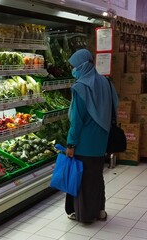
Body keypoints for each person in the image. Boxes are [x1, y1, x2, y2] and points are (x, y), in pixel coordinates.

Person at [65, 49, 118, 223]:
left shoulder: (80, 88)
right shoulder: (106, 82)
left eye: (74, 66)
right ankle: (100, 211)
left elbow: (77, 121)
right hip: (102, 139)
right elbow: (115, 106)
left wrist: (71, 145)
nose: (73, 70)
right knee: (96, 176)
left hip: (84, 142)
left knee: (84, 178)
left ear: (82, 66)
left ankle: (86, 215)